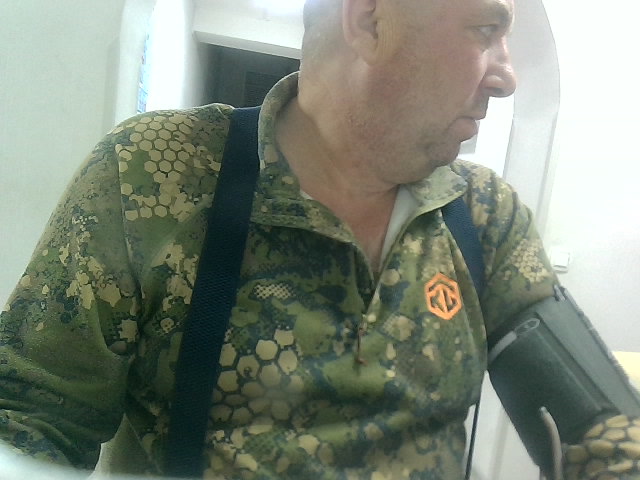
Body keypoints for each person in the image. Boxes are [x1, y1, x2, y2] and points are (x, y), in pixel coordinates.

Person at [1, 0, 639, 479]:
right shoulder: (157, 174)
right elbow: (28, 423)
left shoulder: (484, 214)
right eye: (485, 30)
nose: (507, 77)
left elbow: (603, 425)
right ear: (371, 21)